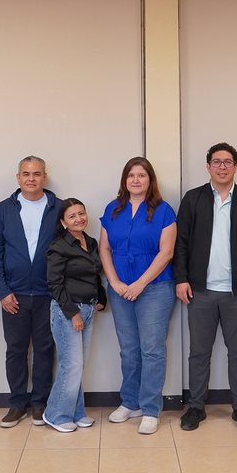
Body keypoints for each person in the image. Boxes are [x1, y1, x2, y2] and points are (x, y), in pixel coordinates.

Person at [173, 142, 237, 432]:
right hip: (199, 291)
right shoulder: (193, 198)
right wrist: (181, 278)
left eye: (228, 162)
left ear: (236, 167)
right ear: (208, 166)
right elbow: (181, 243)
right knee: (198, 353)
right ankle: (196, 407)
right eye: (217, 162)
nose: (222, 167)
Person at [100, 157, 177, 435]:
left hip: (155, 288)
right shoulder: (113, 209)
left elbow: (166, 252)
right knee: (129, 349)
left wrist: (140, 284)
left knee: (152, 350)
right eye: (131, 175)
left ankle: (151, 409)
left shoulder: (164, 210)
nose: (136, 180)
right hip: (120, 289)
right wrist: (114, 282)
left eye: (141, 175)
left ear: (150, 180)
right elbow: (104, 249)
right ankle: (130, 402)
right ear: (125, 180)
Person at [0, 155, 59, 429]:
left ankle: (40, 403)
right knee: (15, 350)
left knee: (44, 351)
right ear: (18, 178)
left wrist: (59, 291)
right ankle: (18, 403)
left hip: (48, 295)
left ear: (44, 177)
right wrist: (2, 292)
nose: (31, 178)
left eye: (37, 174)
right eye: (26, 174)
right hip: (13, 296)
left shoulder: (58, 207)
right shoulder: (4, 209)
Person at [44, 199, 107, 433]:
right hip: (68, 311)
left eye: (81, 213)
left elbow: (94, 275)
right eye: (72, 216)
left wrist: (100, 298)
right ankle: (55, 414)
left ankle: (76, 413)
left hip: (89, 309)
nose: (78, 219)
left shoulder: (90, 242)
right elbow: (54, 283)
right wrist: (73, 314)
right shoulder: (58, 246)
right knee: (72, 365)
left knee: (78, 366)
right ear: (63, 222)